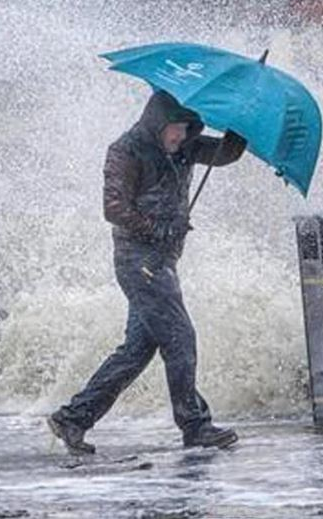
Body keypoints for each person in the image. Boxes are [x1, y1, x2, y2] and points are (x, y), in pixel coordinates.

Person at [47, 90, 247, 455]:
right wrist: (158, 229)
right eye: (175, 128)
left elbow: (225, 154)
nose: (181, 137)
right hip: (138, 261)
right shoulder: (126, 151)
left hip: (163, 262)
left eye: (188, 129)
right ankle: (195, 425)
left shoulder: (185, 146)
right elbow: (113, 208)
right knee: (180, 337)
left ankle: (73, 418)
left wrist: (241, 123)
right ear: (158, 123)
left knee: (137, 350)